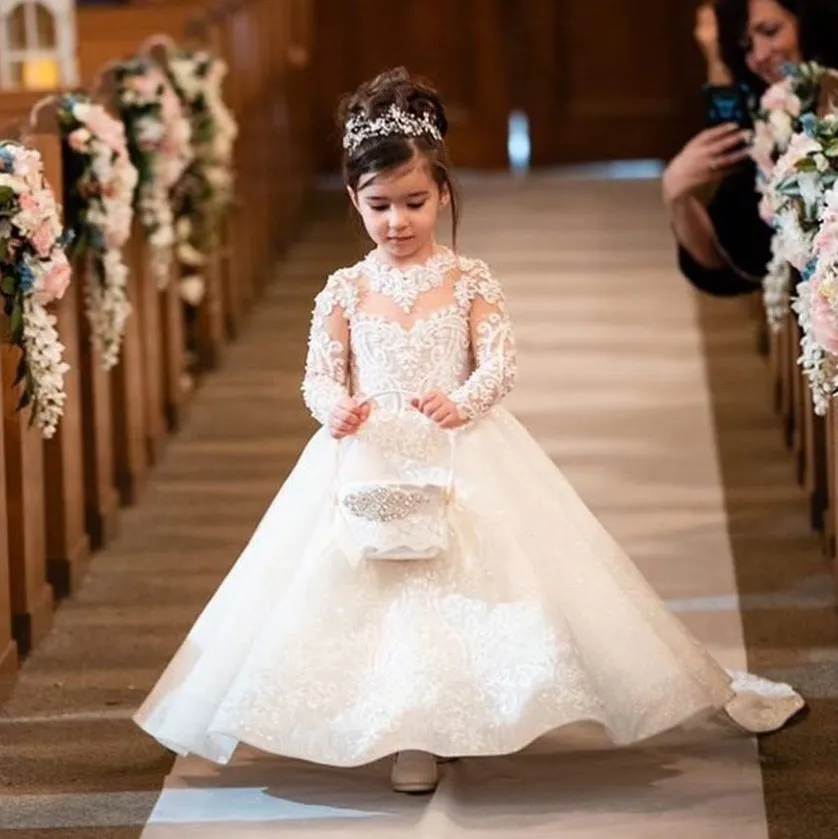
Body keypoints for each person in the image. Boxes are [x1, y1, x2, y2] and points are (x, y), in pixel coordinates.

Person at [134, 67, 805, 795]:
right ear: (355, 201)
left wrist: (465, 398)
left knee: (477, 578)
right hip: (369, 457)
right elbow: (319, 374)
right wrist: (333, 408)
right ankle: (404, 725)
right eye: (379, 205)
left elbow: (501, 360)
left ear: (444, 193)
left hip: (460, 447)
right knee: (376, 582)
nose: (398, 221)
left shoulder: (468, 280)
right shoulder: (345, 289)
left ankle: (462, 713)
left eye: (415, 202)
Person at [665, 0, 838, 297]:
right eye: (746, 45)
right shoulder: (771, 110)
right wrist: (677, 196)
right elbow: (731, 269)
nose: (757, 56)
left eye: (770, 31)